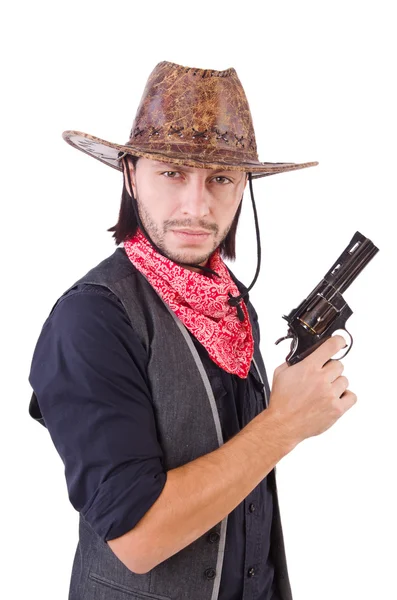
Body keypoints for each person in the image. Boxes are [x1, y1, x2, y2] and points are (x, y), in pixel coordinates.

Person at [27, 61, 357, 600]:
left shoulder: (228, 301)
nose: (196, 206)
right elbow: (139, 538)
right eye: (173, 173)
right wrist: (286, 422)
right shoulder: (90, 320)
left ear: (244, 186)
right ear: (131, 174)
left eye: (220, 178)